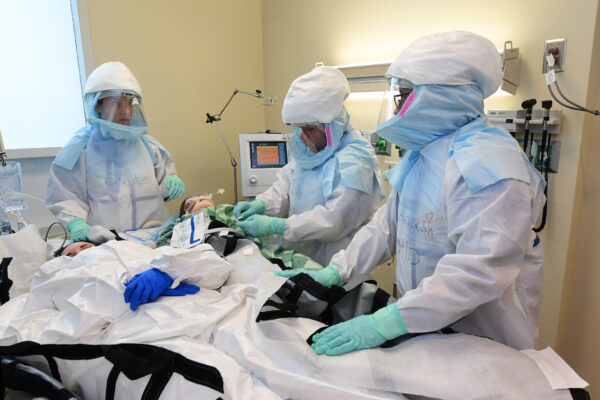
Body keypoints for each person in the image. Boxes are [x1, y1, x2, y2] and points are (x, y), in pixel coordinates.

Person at [277, 31, 546, 355]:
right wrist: (337, 271)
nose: (397, 105)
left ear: (442, 96)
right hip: (423, 329)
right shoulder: (423, 157)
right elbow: (385, 228)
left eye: (405, 95)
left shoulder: (488, 163)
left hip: (483, 344)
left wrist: (385, 323)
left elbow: (477, 271)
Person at [234, 66, 383, 266]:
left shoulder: (356, 159)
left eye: (309, 129)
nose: (302, 137)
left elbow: (334, 220)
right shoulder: (313, 151)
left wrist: (278, 225)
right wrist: (261, 204)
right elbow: (286, 185)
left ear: (331, 126)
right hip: (302, 258)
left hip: (338, 267)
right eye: (299, 128)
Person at [46, 61, 185, 242]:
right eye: (116, 103)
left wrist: (170, 181)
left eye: (129, 104)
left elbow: (163, 185)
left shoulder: (149, 147)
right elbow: (64, 195)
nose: (126, 112)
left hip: (152, 238)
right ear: (97, 105)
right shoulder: (80, 150)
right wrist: (76, 223)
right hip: (107, 243)